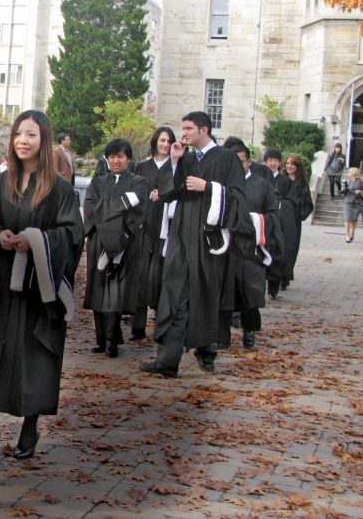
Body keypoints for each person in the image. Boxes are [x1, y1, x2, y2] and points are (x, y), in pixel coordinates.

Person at [0, 111, 82, 460]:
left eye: (30, 135)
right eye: (18, 134)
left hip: (36, 291)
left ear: (44, 140)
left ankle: (30, 428)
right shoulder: (0, 184)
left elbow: (72, 235)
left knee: (33, 359)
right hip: (1, 285)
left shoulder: (59, 190)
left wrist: (37, 240)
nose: (22, 141)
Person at [140, 111, 244, 377]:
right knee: (174, 294)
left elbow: (239, 198)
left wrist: (208, 187)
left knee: (204, 295)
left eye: (188, 128)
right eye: (182, 128)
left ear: (204, 130)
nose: (183, 133)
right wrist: (174, 162)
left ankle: (207, 350)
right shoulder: (184, 157)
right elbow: (167, 193)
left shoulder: (226, 158)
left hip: (207, 240)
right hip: (181, 236)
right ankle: (167, 360)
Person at [83, 139, 149, 358]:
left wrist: (114, 226)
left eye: (120, 156)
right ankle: (101, 339)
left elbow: (136, 211)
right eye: (112, 156)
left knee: (114, 293)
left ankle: (112, 341)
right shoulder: (98, 182)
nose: (116, 160)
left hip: (123, 243)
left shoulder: (138, 182)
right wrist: (114, 211)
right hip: (98, 242)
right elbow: (91, 208)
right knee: (98, 291)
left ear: (128, 159)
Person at [219, 144, 282, 347]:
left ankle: (249, 331)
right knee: (224, 291)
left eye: (242, 161)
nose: (239, 165)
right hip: (227, 245)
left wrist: (256, 221)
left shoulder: (262, 185)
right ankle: (221, 335)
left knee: (249, 292)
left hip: (251, 246)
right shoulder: (222, 186)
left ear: (249, 162)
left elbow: (273, 214)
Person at [130, 126, 175, 340]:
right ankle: (137, 326)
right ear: (156, 141)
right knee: (140, 276)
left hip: (165, 229)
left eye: (169, 141)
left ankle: (160, 323)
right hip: (143, 227)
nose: (165, 144)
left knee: (161, 276)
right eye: (162, 140)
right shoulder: (143, 167)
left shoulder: (175, 168)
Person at [267, 154, 312, 298]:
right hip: (276, 218)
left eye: (293, 164)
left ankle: (284, 276)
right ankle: (278, 277)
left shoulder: (300, 183)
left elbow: (306, 203)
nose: (289, 166)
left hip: (292, 220)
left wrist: (295, 213)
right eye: (288, 163)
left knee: (289, 249)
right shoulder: (280, 179)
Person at [343, 167, 363, 243]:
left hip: (357, 202)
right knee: (347, 219)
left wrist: (360, 191)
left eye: (349, 172)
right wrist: (343, 190)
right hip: (348, 201)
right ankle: (347, 234)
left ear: (354, 173)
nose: (348, 173)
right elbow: (344, 191)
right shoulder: (347, 181)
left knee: (354, 219)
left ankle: (352, 232)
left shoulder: (361, 182)